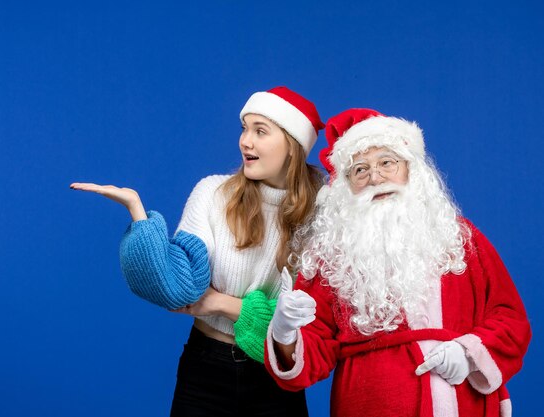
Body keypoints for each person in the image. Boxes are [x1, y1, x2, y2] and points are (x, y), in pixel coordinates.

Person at [70, 87, 325, 416]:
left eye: (260, 131)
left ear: (293, 146)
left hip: (277, 376)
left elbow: (310, 322)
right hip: (207, 368)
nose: (245, 141)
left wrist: (221, 303)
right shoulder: (212, 194)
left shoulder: (324, 213)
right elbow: (177, 289)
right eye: (244, 128)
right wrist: (139, 215)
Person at [265, 108, 531, 417]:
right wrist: (286, 333)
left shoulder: (459, 237)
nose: (375, 177)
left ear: (411, 168)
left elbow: (510, 318)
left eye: (387, 163)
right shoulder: (331, 255)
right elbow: (313, 351)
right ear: (346, 186)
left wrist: (468, 352)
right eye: (360, 170)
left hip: (465, 402)